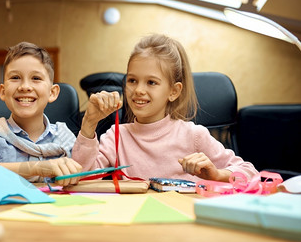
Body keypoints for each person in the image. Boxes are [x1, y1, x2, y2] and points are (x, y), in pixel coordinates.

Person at [72, 33, 258, 182]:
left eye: (151, 82)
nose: (138, 90)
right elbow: (80, 176)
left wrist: (217, 174)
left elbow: (249, 172)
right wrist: (89, 123)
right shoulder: (116, 136)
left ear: (174, 91)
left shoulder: (193, 136)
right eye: (132, 80)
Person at [0, 41, 82, 189]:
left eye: (36, 78)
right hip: (6, 210)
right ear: (3, 91)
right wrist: (37, 168)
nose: (25, 87)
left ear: (52, 93)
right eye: (15, 78)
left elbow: (86, 172)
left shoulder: (63, 135)